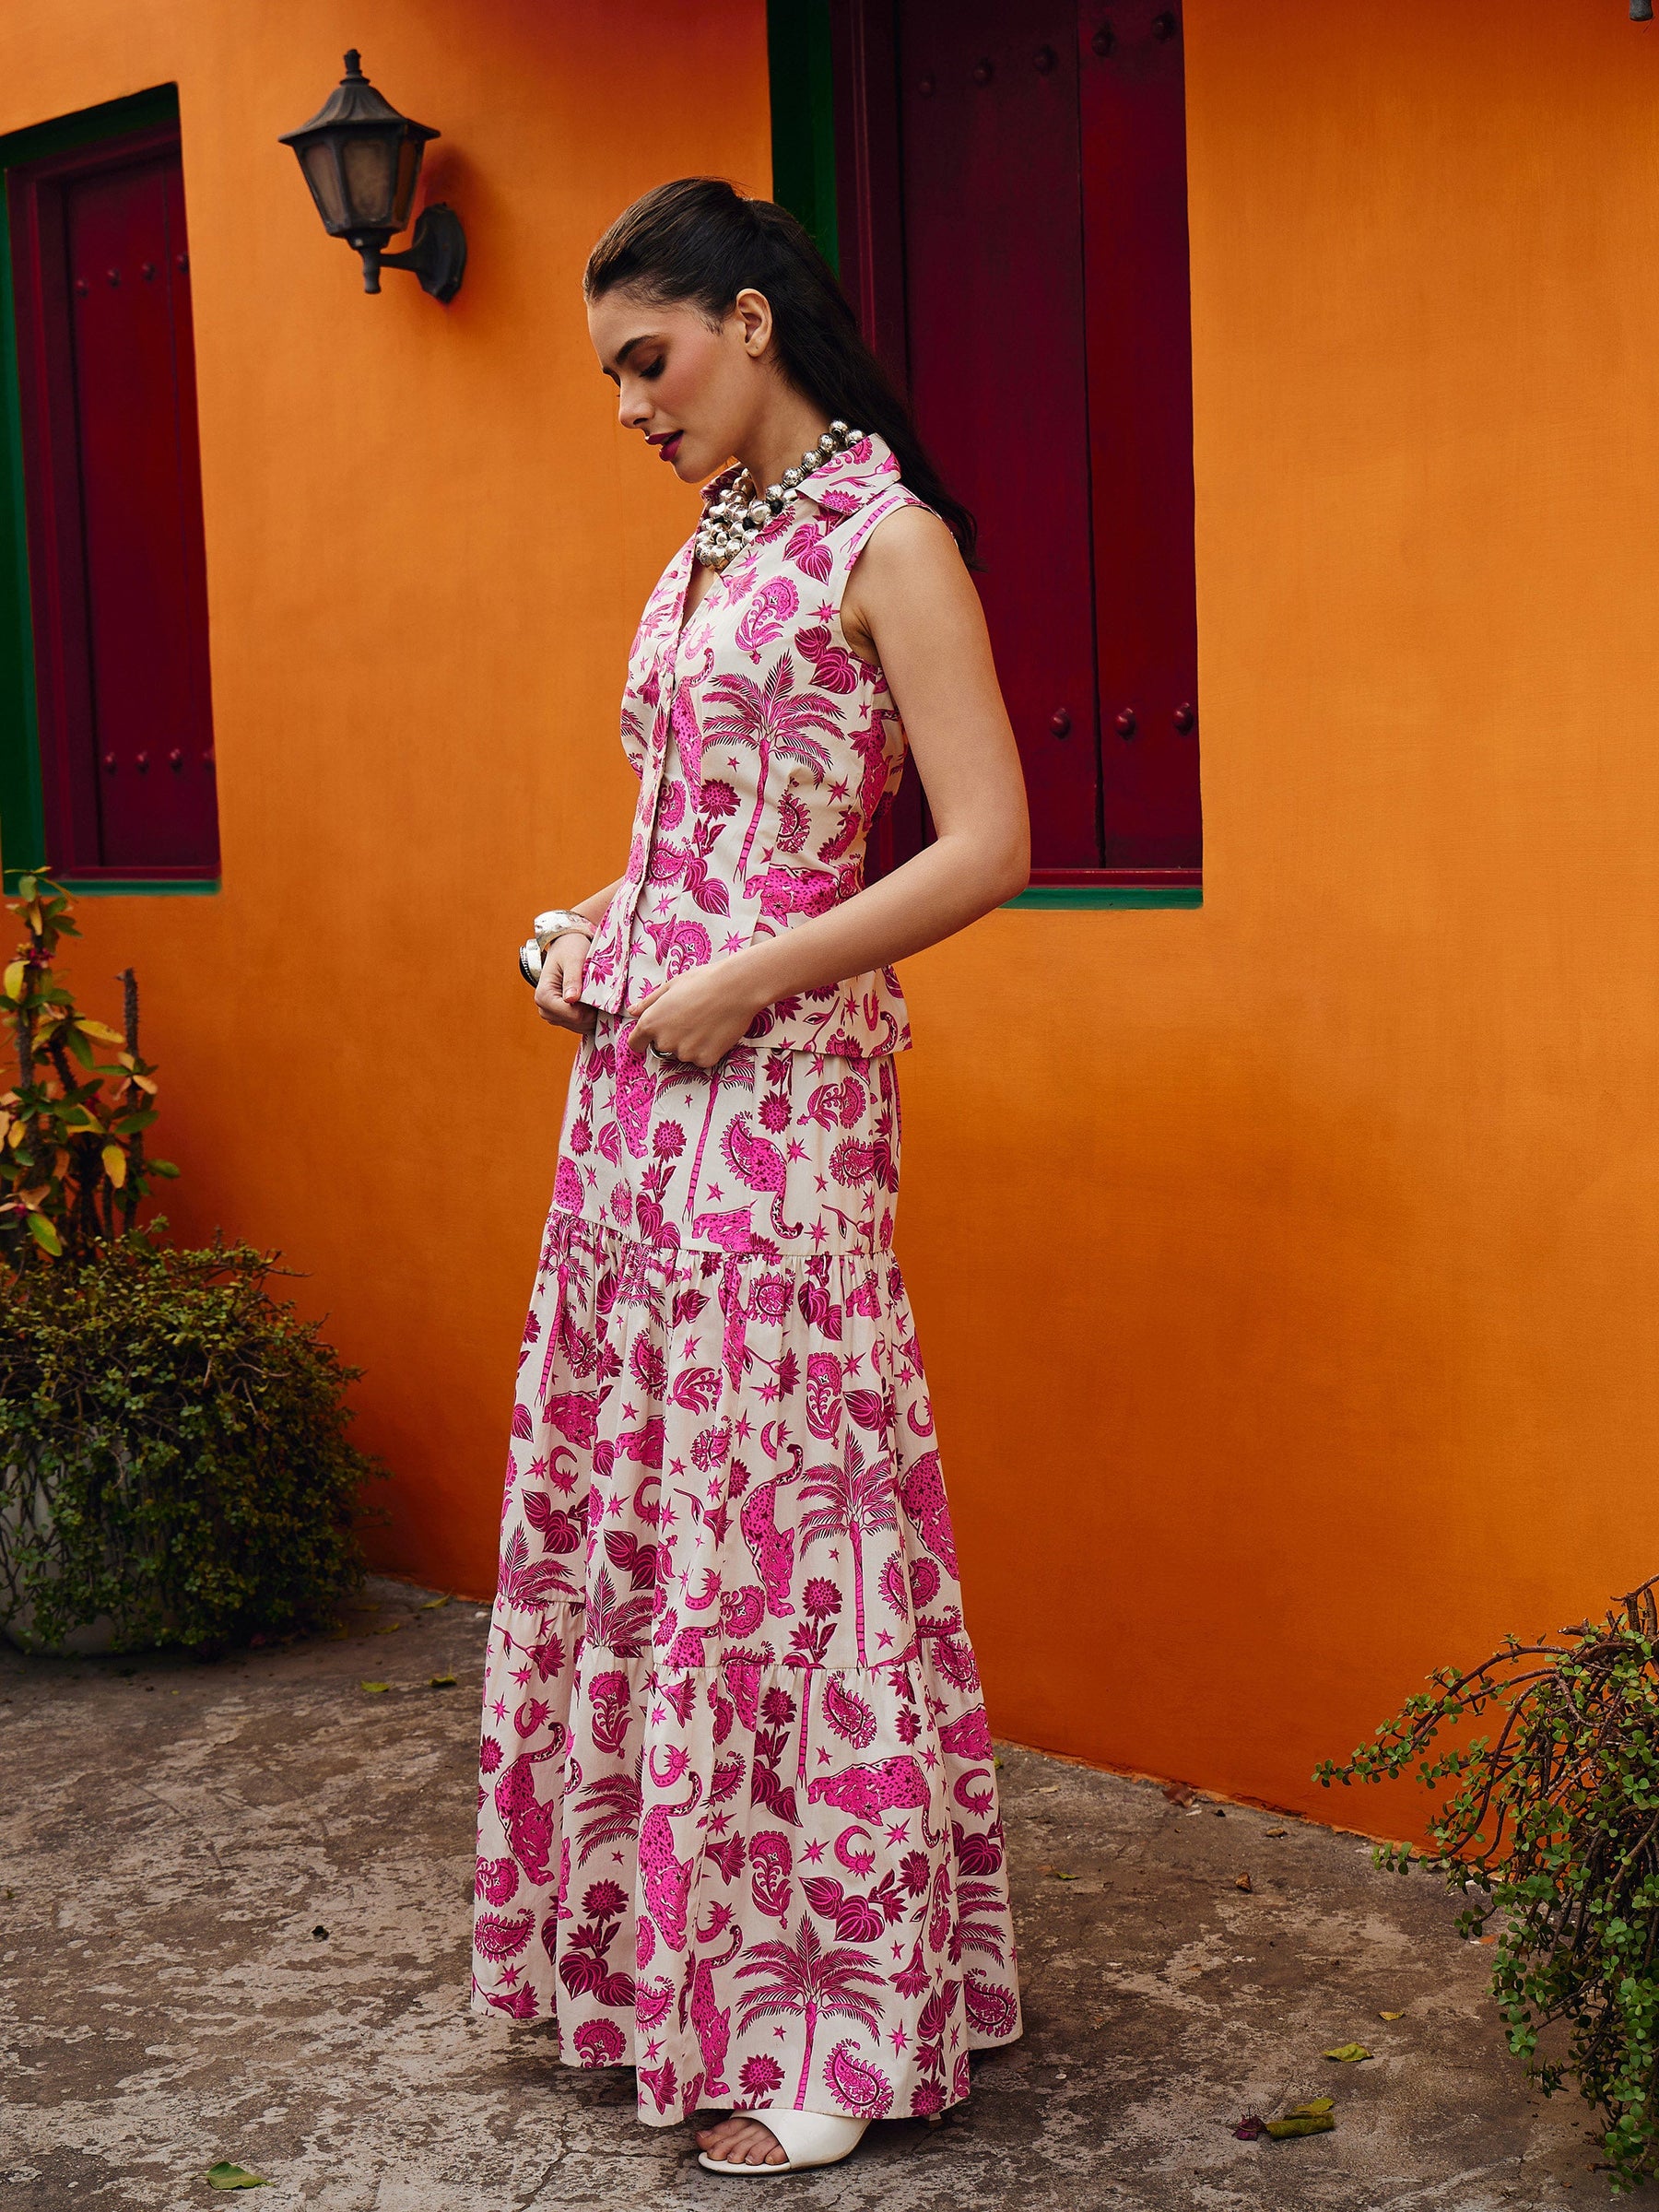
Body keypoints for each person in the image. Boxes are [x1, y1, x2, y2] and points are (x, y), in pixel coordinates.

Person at [471, 176, 1029, 2177]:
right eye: (612, 371)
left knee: (786, 1530)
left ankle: (834, 2031)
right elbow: (695, 839)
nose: (629, 401)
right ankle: (660, 1980)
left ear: (754, 320)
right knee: (656, 1514)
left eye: (651, 356)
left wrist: (739, 984)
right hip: (639, 1093)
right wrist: (596, 932)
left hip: (786, 1104)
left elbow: (984, 845)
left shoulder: (890, 540)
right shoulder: (710, 551)